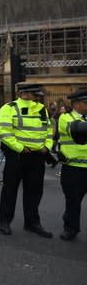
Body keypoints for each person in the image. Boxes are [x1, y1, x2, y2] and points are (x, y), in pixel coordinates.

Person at [0, 83, 54, 237]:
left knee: (35, 191)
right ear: (25, 94)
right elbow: (3, 131)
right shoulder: (9, 107)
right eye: (36, 94)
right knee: (10, 190)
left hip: (37, 156)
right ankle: (5, 221)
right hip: (17, 155)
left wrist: (47, 147)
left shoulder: (42, 109)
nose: (38, 97)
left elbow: (48, 131)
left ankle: (32, 223)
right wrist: (20, 148)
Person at [56, 89, 87, 241]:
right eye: (86, 102)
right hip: (73, 168)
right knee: (73, 200)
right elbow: (77, 129)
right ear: (76, 104)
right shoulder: (65, 118)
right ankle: (71, 228)